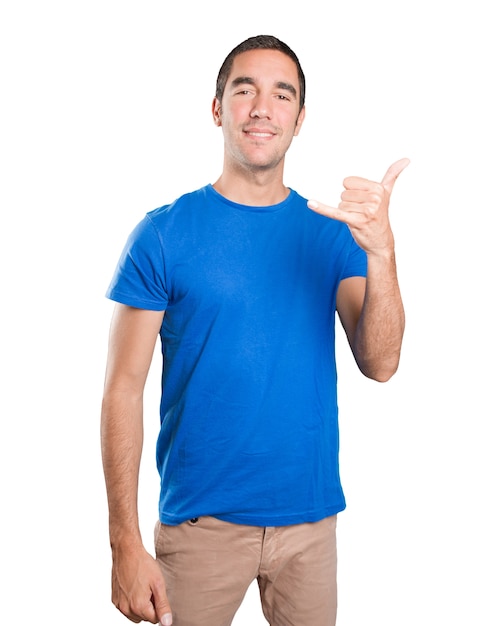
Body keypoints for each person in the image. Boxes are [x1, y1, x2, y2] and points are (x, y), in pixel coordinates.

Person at [100, 34, 408, 626]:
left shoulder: (332, 234)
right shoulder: (162, 235)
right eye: (245, 90)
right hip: (199, 530)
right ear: (218, 109)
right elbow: (121, 389)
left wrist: (384, 254)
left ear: (299, 119)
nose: (262, 108)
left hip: (310, 528)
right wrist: (123, 543)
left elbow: (382, 362)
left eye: (281, 94)